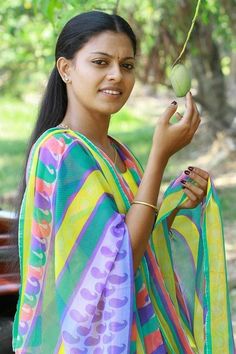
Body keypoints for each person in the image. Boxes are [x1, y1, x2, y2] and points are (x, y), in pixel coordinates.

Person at [12, 10, 235, 354]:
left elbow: (135, 242)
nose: (116, 76)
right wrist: (159, 156)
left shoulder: (118, 153)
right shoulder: (59, 151)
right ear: (66, 69)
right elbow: (118, 261)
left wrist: (177, 205)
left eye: (127, 65)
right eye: (101, 62)